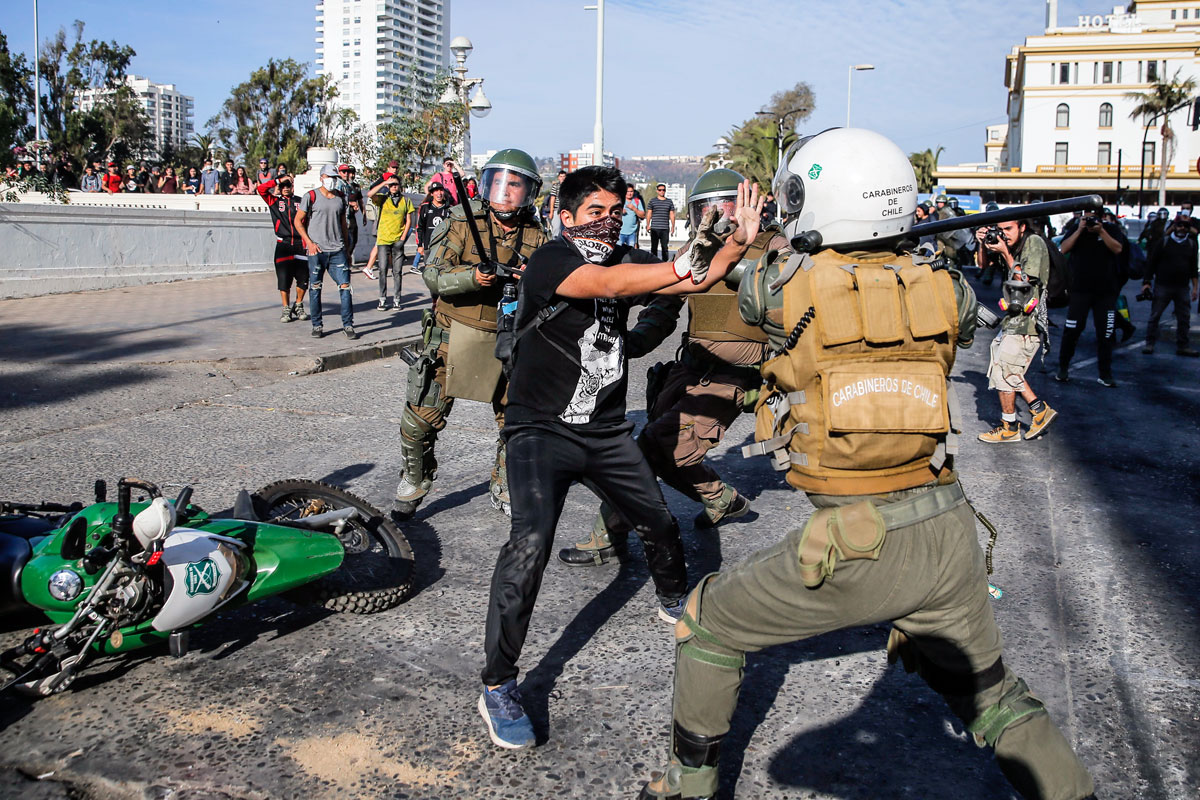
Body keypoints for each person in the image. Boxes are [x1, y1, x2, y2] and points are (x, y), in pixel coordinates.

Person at [637, 127, 1096, 800]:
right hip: (948, 531)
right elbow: (962, 318)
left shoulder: (783, 286)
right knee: (995, 698)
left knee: (707, 624)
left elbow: (732, 284)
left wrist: (746, 231)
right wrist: (899, 250)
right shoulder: (944, 285)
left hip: (857, 537)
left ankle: (688, 786)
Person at [477, 165, 764, 750]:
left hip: (605, 431)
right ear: (564, 216)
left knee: (659, 521)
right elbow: (608, 287)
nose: (606, 221)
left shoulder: (625, 257)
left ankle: (669, 600)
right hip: (542, 429)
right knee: (529, 544)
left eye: (614, 211)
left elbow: (692, 281)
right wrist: (681, 264)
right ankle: (499, 684)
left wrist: (737, 240)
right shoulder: (553, 259)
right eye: (593, 212)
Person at [559, 168, 787, 568]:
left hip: (735, 378)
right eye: (706, 209)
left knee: (649, 451)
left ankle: (606, 537)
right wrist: (626, 344)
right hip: (690, 369)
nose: (718, 216)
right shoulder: (699, 249)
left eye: (726, 206)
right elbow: (664, 307)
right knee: (660, 450)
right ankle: (722, 500)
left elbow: (794, 317)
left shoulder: (775, 249)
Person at [391, 149, 547, 522]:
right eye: (498, 182)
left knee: (517, 424)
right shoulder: (462, 221)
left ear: (529, 191)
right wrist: (472, 278)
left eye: (515, 184)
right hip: (449, 335)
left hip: (508, 339)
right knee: (418, 421)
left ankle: (506, 483)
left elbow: (551, 289)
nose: (505, 191)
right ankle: (415, 479)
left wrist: (531, 279)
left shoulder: (539, 235)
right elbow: (432, 275)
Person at [976, 217, 1057, 443]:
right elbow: (982, 267)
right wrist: (983, 243)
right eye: (1000, 230)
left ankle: (1015, 424)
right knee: (1004, 371)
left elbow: (1024, 280)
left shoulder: (1033, 243)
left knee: (1005, 372)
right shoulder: (1010, 245)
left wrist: (1004, 252)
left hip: (1028, 323)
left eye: (1008, 229)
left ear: (1022, 227)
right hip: (1012, 320)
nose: (1004, 234)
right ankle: (1030, 415)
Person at [1056, 210, 1124, 386]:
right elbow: (1063, 249)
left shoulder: (1110, 228)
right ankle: (1063, 367)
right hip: (1080, 290)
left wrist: (1101, 231)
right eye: (1087, 216)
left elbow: (1118, 249)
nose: (1089, 220)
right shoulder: (1077, 228)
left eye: (1092, 216)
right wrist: (1079, 229)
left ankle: (1105, 373)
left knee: (1106, 333)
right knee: (1072, 330)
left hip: (1105, 291)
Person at [294, 164, 355, 340]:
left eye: (334, 178)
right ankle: (317, 325)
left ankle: (348, 324)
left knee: (345, 287)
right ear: (321, 177)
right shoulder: (311, 196)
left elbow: (344, 223)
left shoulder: (340, 197)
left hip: (338, 250)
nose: (332, 181)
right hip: (317, 250)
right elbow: (298, 221)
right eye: (329, 177)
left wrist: (347, 249)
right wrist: (309, 243)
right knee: (315, 288)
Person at [1141, 214, 1200, 356]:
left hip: (1182, 287)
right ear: (1174, 227)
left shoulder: (1191, 245)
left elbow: (1193, 269)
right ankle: (1149, 343)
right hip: (1163, 286)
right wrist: (1146, 283)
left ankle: (1183, 346)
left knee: (1184, 318)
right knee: (1155, 315)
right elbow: (1151, 264)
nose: (1182, 228)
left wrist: (1195, 288)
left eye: (1185, 226)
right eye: (1179, 225)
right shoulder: (1163, 242)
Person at [257, 173, 309, 323]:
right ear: (279, 187)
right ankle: (286, 308)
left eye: (288, 185)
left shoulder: (301, 201)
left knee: (303, 278)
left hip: (300, 244)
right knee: (284, 279)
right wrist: (276, 181)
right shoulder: (274, 201)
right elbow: (261, 189)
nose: (286, 188)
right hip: (283, 244)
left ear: (293, 186)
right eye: (283, 185)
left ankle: (298, 304)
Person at [367, 173, 414, 310]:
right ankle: (382, 299)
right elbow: (370, 194)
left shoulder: (406, 200)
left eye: (396, 184)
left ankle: (397, 299)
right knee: (382, 269)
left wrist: (403, 238)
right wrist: (383, 183)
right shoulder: (382, 199)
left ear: (400, 186)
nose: (394, 187)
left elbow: (409, 220)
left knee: (397, 271)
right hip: (383, 239)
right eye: (391, 185)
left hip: (397, 239)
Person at [413, 181, 453, 276]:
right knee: (430, 274)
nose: (438, 193)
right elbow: (420, 227)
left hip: (444, 247)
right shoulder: (425, 207)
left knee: (443, 274)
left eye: (440, 190)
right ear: (431, 193)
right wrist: (420, 245)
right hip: (428, 246)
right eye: (435, 191)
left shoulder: (449, 208)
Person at [339, 164, 363, 266]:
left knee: (353, 240)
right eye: (345, 172)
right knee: (344, 240)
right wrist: (350, 203)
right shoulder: (339, 185)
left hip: (351, 217)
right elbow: (338, 199)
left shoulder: (354, 187)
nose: (349, 175)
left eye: (350, 172)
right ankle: (343, 261)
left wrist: (363, 213)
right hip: (342, 217)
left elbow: (360, 201)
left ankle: (347, 258)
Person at [646, 183, 676, 261]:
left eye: (663, 190)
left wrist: (673, 227)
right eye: (660, 190)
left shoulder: (669, 202)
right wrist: (648, 224)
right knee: (654, 247)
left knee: (665, 248)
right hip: (655, 228)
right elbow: (649, 213)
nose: (662, 191)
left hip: (665, 228)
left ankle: (665, 263)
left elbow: (672, 214)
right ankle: (653, 262)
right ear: (657, 191)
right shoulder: (653, 201)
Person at [547, 169, 567, 236]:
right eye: (561, 176)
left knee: (564, 229)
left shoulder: (568, 187)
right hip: (556, 209)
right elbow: (552, 198)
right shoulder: (555, 186)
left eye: (564, 176)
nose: (562, 178)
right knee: (556, 229)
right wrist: (551, 212)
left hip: (566, 210)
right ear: (558, 177)